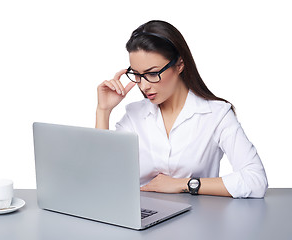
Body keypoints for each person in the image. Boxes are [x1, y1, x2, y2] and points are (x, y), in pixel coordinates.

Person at [95, 20, 268, 198]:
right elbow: (103, 179)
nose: (144, 86)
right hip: (142, 217)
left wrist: (182, 184)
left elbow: (255, 180)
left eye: (153, 73)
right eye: (138, 75)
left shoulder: (216, 115)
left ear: (179, 65)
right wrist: (103, 110)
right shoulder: (134, 115)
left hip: (198, 218)